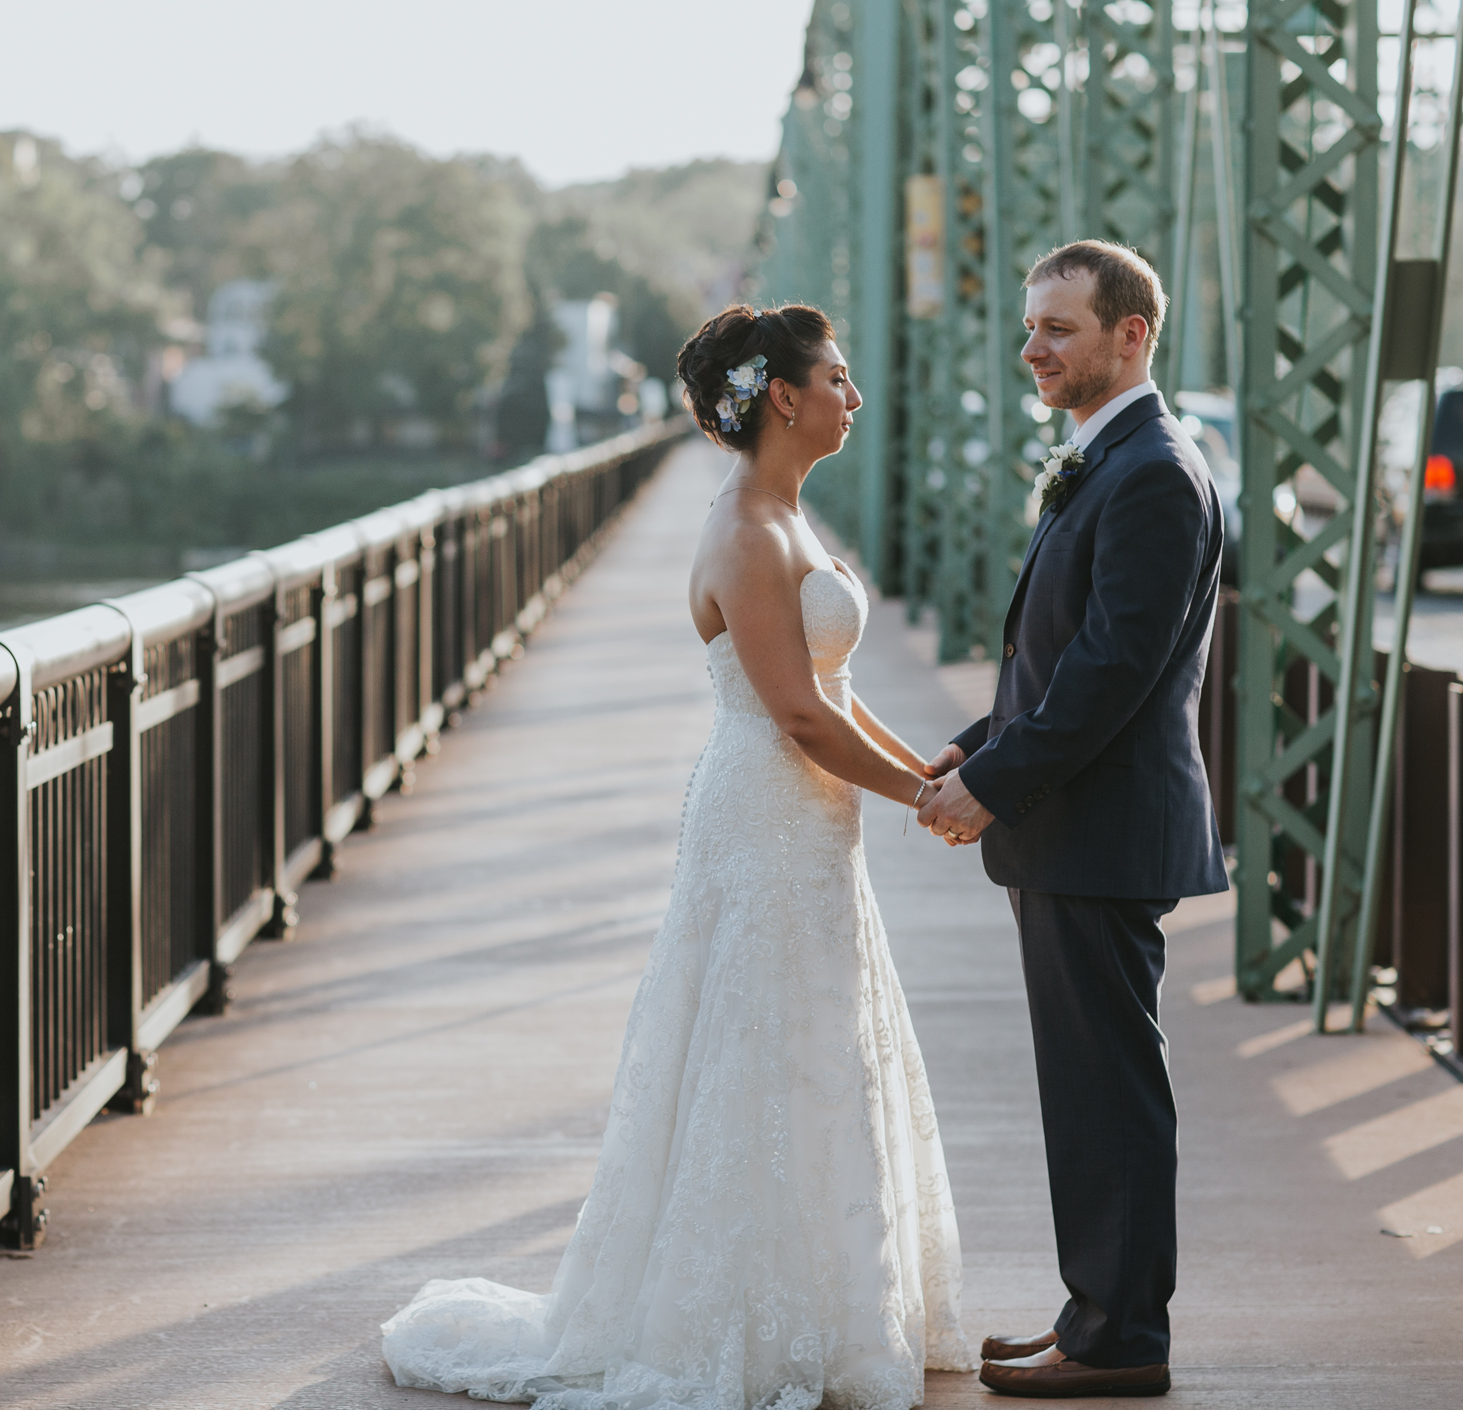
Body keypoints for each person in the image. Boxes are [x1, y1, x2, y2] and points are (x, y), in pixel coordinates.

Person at [380, 304, 980, 1409]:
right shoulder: (748, 532)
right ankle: (744, 1316)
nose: (853, 396)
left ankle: (828, 1301)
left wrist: (938, 767)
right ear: (784, 398)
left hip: (809, 818)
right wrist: (927, 799)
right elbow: (797, 713)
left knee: (817, 1038)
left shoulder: (786, 516)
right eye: (837, 378)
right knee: (757, 1042)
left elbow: (836, 694)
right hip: (763, 813)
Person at [918, 240, 1227, 1399]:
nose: (1032, 347)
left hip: (1101, 829)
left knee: (1108, 1088)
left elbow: (1109, 671)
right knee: (1088, 1084)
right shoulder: (1114, 459)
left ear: (1129, 334)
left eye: (1058, 327)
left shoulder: (1150, 470)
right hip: (1079, 824)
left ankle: (1119, 1338)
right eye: (1031, 324)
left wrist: (994, 786)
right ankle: (1090, 1313)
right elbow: (1055, 658)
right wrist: (980, 743)